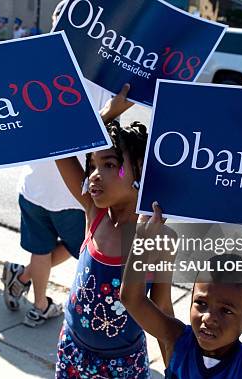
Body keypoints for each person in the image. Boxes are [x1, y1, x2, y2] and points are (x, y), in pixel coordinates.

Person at [0, 0, 109, 329]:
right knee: (77, 249)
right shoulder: (96, 77)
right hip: (71, 193)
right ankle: (38, 300)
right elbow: (103, 130)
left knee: (41, 248)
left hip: (33, 186)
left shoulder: (34, 68)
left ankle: (33, 293)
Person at [52, 84, 172, 377]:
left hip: (121, 366)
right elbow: (58, 147)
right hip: (72, 352)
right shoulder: (95, 214)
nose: (94, 175)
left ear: (139, 169)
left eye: (109, 165)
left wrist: (175, 368)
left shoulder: (154, 236)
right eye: (92, 165)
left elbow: (163, 310)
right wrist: (107, 114)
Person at [121, 204, 242, 378]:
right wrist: (142, 240)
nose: (208, 317)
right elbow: (132, 299)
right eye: (201, 303)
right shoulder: (177, 340)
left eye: (226, 310)